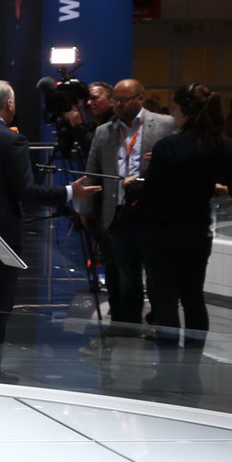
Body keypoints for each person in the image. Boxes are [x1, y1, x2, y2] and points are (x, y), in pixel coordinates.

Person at [0, 80, 99, 382]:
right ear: (9, 105)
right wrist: (70, 192)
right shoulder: (12, 140)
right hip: (1, 235)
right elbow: (27, 192)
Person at [132, 83, 232, 394]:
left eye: (174, 108)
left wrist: (133, 185)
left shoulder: (168, 147)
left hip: (162, 233)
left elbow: (150, 192)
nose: (172, 114)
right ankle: (192, 376)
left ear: (184, 110)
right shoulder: (222, 145)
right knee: (193, 298)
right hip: (197, 232)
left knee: (165, 301)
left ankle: (167, 374)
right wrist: (214, 186)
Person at [77, 78, 178, 337]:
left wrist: (163, 160)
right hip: (117, 212)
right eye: (116, 100)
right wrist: (86, 209)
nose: (119, 105)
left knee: (156, 274)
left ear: (140, 98)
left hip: (152, 212)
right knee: (124, 275)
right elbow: (92, 172)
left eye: (124, 100)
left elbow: (179, 163)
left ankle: (158, 323)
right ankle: (126, 326)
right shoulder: (104, 132)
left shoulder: (165, 124)